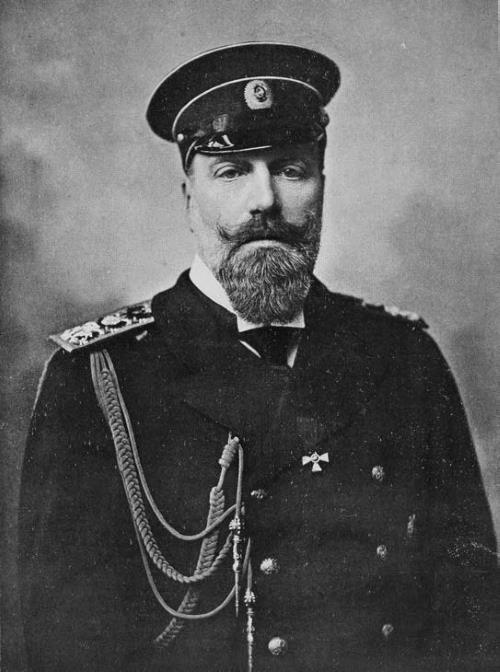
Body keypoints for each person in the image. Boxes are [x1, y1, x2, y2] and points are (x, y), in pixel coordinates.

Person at [18, 42, 498, 672]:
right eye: (231, 171)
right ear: (188, 195)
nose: (265, 200)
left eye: (291, 169)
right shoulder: (98, 378)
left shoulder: (404, 359)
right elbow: (64, 644)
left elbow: (472, 618)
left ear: (321, 186)